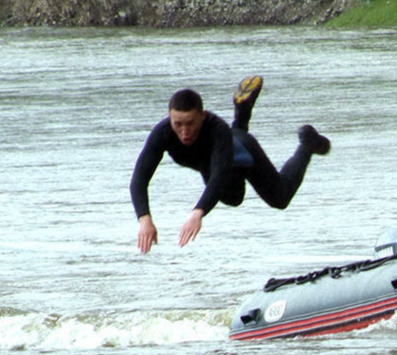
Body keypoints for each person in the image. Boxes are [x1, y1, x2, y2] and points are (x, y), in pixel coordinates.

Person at [130, 76, 331, 253]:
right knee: (232, 196)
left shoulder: (217, 129)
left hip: (242, 154)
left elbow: (219, 174)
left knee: (278, 198)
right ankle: (242, 109)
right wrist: (144, 218)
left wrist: (197, 212)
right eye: (178, 124)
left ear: (203, 115)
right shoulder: (162, 133)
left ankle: (307, 144)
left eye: (190, 123)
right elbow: (139, 179)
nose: (184, 131)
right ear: (170, 118)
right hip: (215, 159)